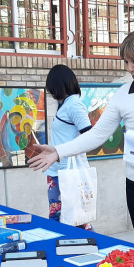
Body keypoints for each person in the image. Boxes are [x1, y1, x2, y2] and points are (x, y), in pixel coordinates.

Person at [29, 30, 134, 251]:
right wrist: (58, 151)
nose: (129, 68)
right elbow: (96, 134)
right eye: (126, 62)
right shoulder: (123, 95)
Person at [43, 64, 93, 229]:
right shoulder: (65, 104)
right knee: (65, 219)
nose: (50, 92)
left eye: (51, 87)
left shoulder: (74, 105)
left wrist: (61, 151)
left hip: (68, 173)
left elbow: (89, 138)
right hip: (59, 171)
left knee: (73, 220)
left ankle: (92, 247)